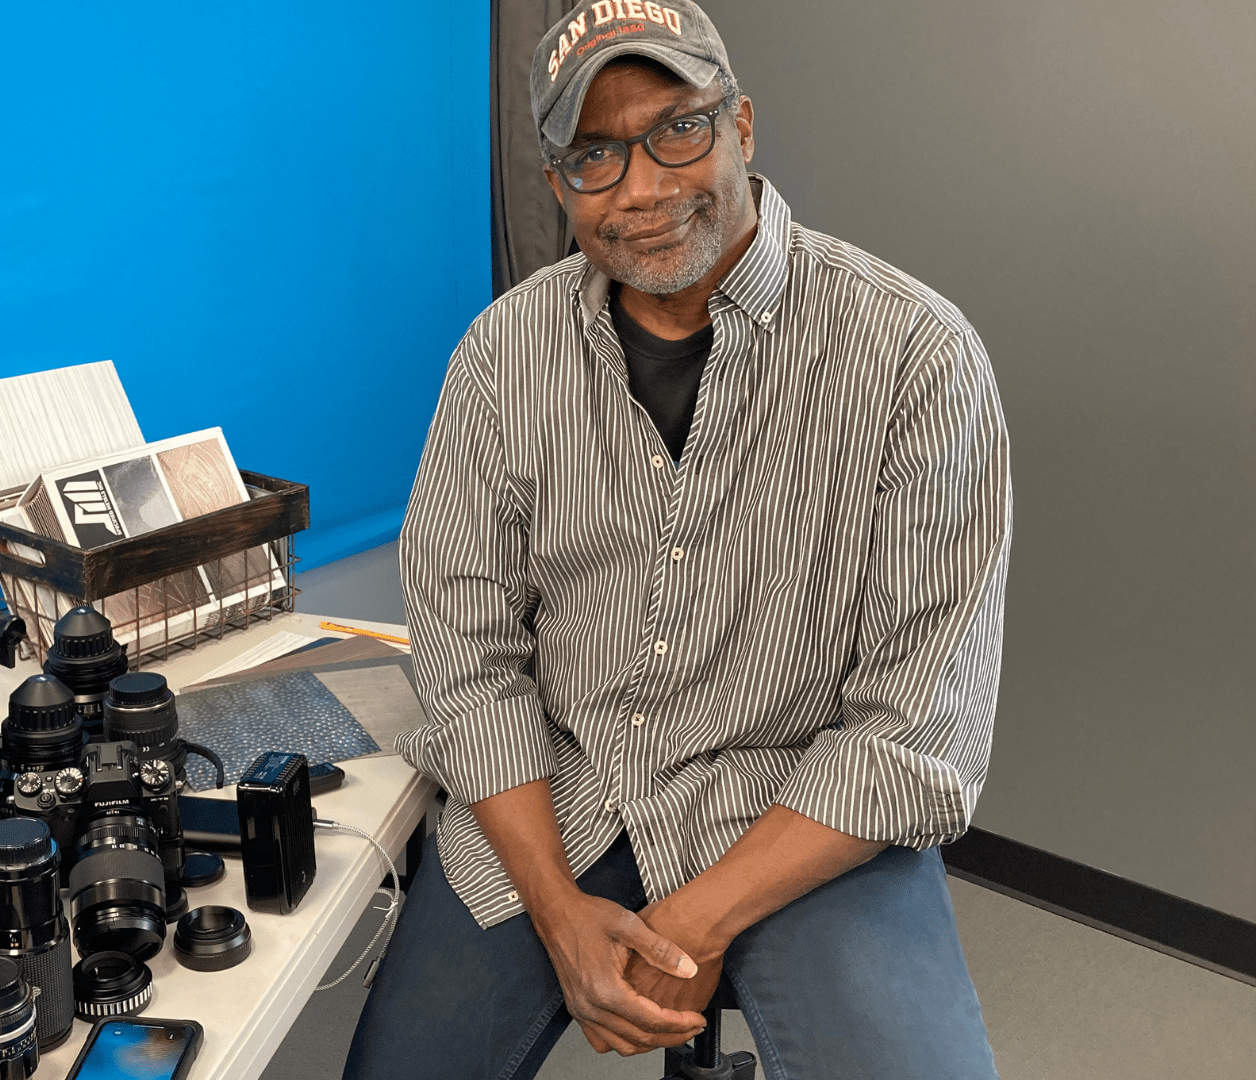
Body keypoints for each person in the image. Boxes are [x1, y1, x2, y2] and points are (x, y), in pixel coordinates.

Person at [344, 2, 1009, 1078]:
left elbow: (917, 733)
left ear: (742, 124)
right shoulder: (502, 356)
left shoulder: (915, 360)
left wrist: (695, 922)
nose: (642, 188)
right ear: (558, 184)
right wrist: (557, 913)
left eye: (678, 130)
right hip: (561, 797)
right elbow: (469, 662)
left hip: (799, 815)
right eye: (595, 155)